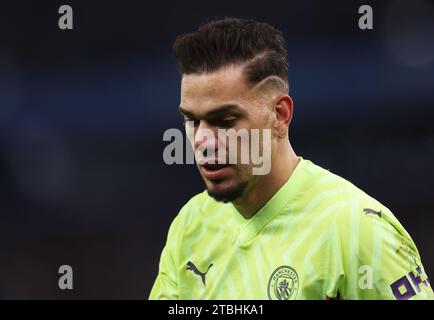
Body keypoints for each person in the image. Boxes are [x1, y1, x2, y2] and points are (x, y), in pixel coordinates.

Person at [149, 17, 433, 300]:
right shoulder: (191, 225)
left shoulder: (357, 229)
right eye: (192, 121)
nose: (201, 140)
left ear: (280, 115)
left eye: (224, 120)